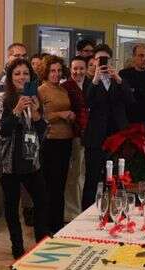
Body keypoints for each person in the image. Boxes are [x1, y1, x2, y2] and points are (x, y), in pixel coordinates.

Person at [0, 58, 49, 258]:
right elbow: (1, 132)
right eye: (17, 74)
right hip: (8, 161)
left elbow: (43, 131)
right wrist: (16, 111)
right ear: (10, 77)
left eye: (25, 73)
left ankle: (41, 242)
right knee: (11, 204)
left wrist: (36, 115)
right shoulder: (2, 100)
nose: (22, 77)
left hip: (30, 158)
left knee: (42, 200)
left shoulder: (36, 98)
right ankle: (17, 247)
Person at [81, 44, 133, 209]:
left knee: (117, 176)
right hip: (95, 137)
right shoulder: (89, 81)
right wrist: (96, 80)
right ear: (94, 61)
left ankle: (115, 209)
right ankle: (87, 213)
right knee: (93, 178)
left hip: (116, 136)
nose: (102, 62)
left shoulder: (119, 79)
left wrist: (118, 79)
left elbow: (130, 101)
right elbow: (86, 102)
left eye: (105, 59)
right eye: (98, 59)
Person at [38, 55, 75, 232]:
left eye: (59, 70)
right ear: (46, 72)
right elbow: (39, 117)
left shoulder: (63, 89)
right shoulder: (41, 90)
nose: (56, 74)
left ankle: (57, 224)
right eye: (52, 70)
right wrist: (60, 115)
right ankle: (47, 226)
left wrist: (71, 115)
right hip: (50, 142)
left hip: (66, 141)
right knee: (49, 186)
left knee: (61, 185)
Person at [61, 55, 91, 223]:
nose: (78, 72)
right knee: (74, 175)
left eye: (81, 68)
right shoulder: (65, 87)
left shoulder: (90, 85)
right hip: (73, 135)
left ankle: (81, 208)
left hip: (89, 136)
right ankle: (72, 212)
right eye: (75, 68)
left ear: (86, 69)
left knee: (83, 174)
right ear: (70, 69)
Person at [119, 44, 145, 127]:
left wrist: (134, 90)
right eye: (141, 55)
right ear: (134, 57)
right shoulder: (124, 74)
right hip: (129, 119)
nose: (144, 59)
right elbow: (125, 97)